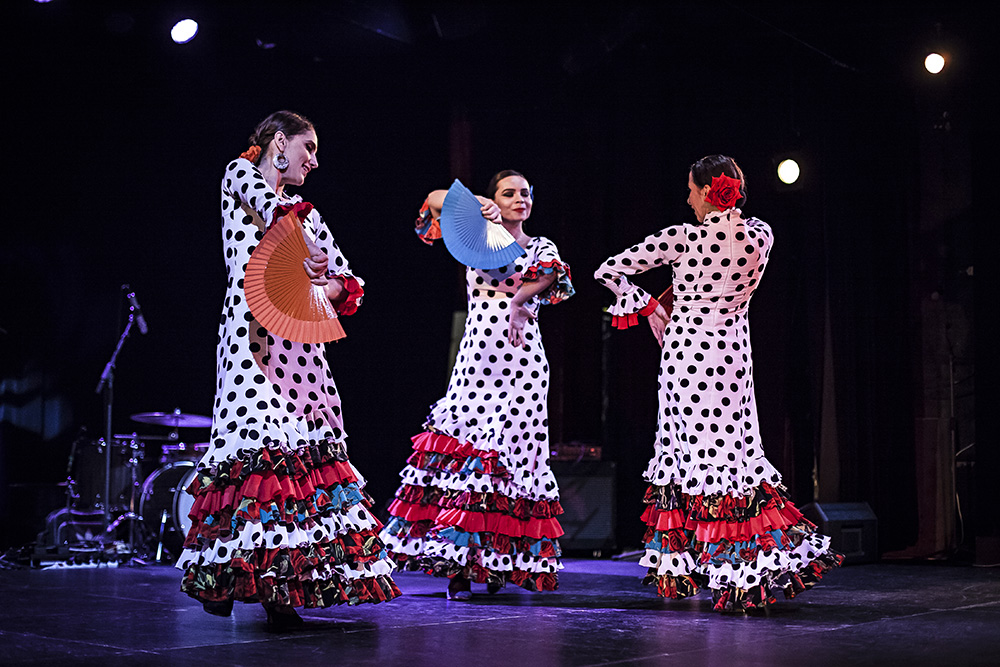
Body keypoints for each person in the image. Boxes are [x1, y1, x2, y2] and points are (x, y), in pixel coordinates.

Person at [177, 110, 401, 629]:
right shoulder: (241, 174)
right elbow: (271, 209)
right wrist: (308, 255)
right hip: (251, 334)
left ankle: (282, 588)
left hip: (300, 339)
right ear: (280, 142)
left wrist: (324, 278)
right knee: (257, 452)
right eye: (309, 148)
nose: (315, 160)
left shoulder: (310, 217)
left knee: (302, 459)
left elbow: (345, 281)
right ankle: (226, 576)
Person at [594, 155, 842, 612]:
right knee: (732, 454)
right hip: (731, 357)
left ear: (708, 191)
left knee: (690, 455)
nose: (686, 197)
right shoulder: (761, 235)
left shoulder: (681, 237)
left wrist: (648, 307)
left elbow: (608, 270)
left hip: (687, 357)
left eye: (691, 189)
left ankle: (695, 568)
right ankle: (745, 571)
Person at [379, 171, 575, 600]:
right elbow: (433, 200)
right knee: (471, 462)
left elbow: (546, 276)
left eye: (526, 192)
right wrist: (476, 204)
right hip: (477, 363)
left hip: (523, 364)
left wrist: (521, 302)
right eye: (510, 193)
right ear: (495, 199)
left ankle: (500, 560)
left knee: (510, 459)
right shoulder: (476, 235)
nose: (520, 199)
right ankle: (462, 565)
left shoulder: (541, 246)